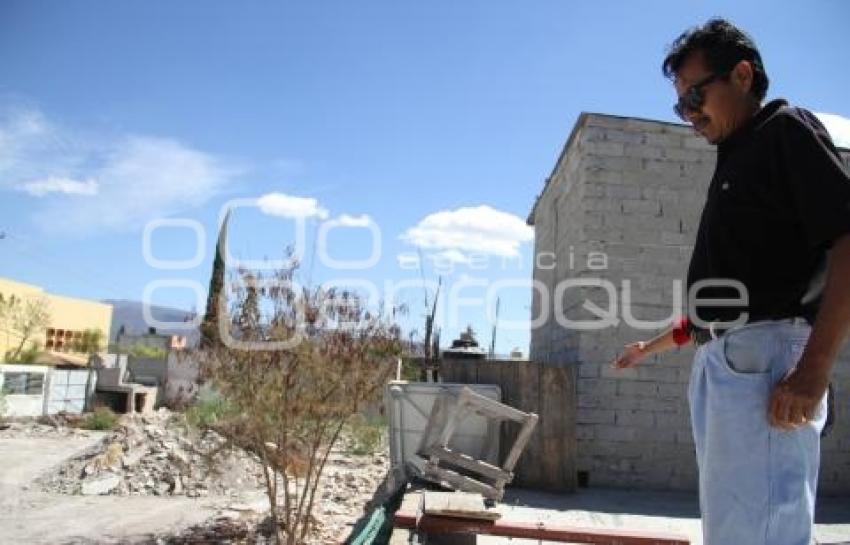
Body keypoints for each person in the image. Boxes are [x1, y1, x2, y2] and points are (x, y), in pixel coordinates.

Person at [612, 18, 850, 545]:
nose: (690, 112)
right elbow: (709, 313)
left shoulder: (783, 131)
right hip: (729, 362)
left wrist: (814, 369)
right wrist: (646, 349)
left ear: (742, 75)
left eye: (696, 93)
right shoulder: (736, 158)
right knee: (737, 529)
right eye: (681, 104)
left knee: (762, 531)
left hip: (767, 360)